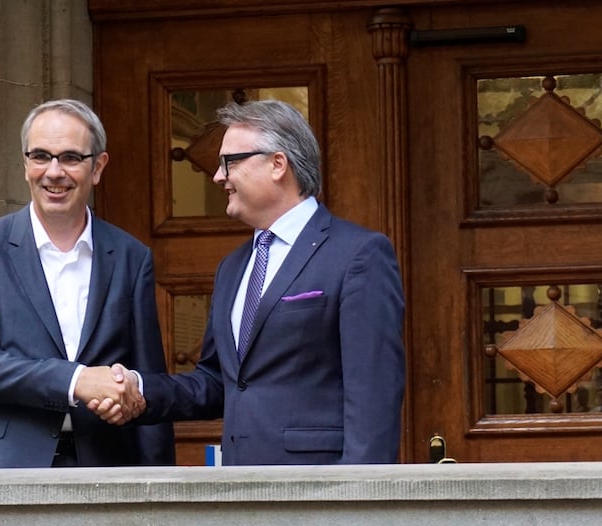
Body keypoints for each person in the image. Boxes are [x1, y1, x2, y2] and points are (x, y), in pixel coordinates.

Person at [93, 99, 405, 465]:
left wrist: (356, 503)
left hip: (319, 493)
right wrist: (138, 388)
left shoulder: (359, 254)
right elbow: (214, 383)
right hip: (242, 490)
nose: (218, 176)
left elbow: (373, 394)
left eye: (230, 161)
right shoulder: (234, 267)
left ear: (277, 164)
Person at [0, 98, 174, 468]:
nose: (54, 172)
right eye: (40, 156)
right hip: (1, 467)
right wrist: (77, 380)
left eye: (70, 158)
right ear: (25, 164)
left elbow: (146, 381)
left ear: (98, 167)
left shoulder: (131, 256)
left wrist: (161, 482)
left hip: (106, 466)